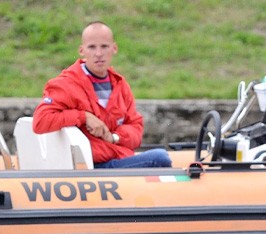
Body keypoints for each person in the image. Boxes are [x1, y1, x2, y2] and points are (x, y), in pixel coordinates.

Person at [32, 21, 172, 169]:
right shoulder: (65, 84)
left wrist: (113, 137)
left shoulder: (120, 84)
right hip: (91, 167)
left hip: (116, 159)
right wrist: (83, 117)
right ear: (82, 50)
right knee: (159, 158)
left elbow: (136, 128)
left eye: (104, 46)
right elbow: (40, 122)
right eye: (92, 47)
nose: (98, 53)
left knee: (159, 156)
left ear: (114, 48)